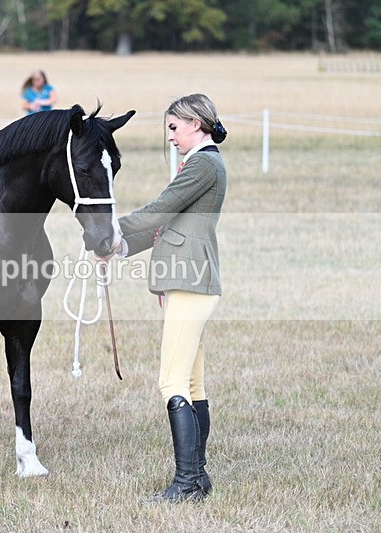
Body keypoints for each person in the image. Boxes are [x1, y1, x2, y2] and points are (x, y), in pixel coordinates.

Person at [113, 94, 227, 503]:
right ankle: (198, 478)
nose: (171, 136)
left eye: (174, 127)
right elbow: (168, 224)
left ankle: (186, 482)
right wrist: (119, 247)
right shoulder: (201, 163)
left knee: (172, 381)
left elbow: (162, 209)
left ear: (196, 123)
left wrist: (111, 228)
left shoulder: (203, 164)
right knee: (192, 381)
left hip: (190, 282)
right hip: (190, 280)